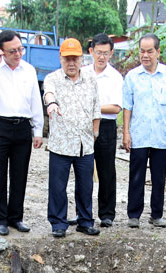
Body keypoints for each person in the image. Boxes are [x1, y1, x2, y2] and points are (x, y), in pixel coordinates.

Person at [0, 30, 43, 236]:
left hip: (22, 126)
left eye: (20, 49)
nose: (18, 54)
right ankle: (0, 219)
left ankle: (16, 217)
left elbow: (35, 100)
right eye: (12, 51)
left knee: (20, 174)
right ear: (1, 52)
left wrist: (38, 129)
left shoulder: (29, 70)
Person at [122, 33, 166, 228]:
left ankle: (157, 214)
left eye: (149, 51)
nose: (145, 55)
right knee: (136, 176)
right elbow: (127, 107)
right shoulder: (132, 76)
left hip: (161, 134)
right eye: (142, 51)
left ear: (158, 52)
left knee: (159, 177)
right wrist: (126, 132)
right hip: (139, 134)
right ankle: (134, 214)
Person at [43, 38, 101, 238]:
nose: (71, 63)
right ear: (60, 58)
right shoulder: (53, 78)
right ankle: (58, 223)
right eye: (67, 58)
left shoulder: (91, 79)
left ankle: (85, 221)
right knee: (58, 186)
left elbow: (96, 108)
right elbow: (48, 94)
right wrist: (51, 104)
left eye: (75, 58)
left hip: (85, 145)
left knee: (86, 185)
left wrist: (94, 134)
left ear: (81, 59)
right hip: (61, 144)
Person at [80, 33, 123, 228]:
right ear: (91, 51)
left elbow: (115, 107)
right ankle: (83, 213)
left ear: (111, 53)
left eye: (106, 53)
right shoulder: (82, 72)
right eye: (98, 52)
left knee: (106, 171)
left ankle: (106, 214)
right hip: (84, 125)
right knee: (83, 170)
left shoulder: (115, 77)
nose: (102, 57)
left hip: (106, 126)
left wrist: (92, 107)